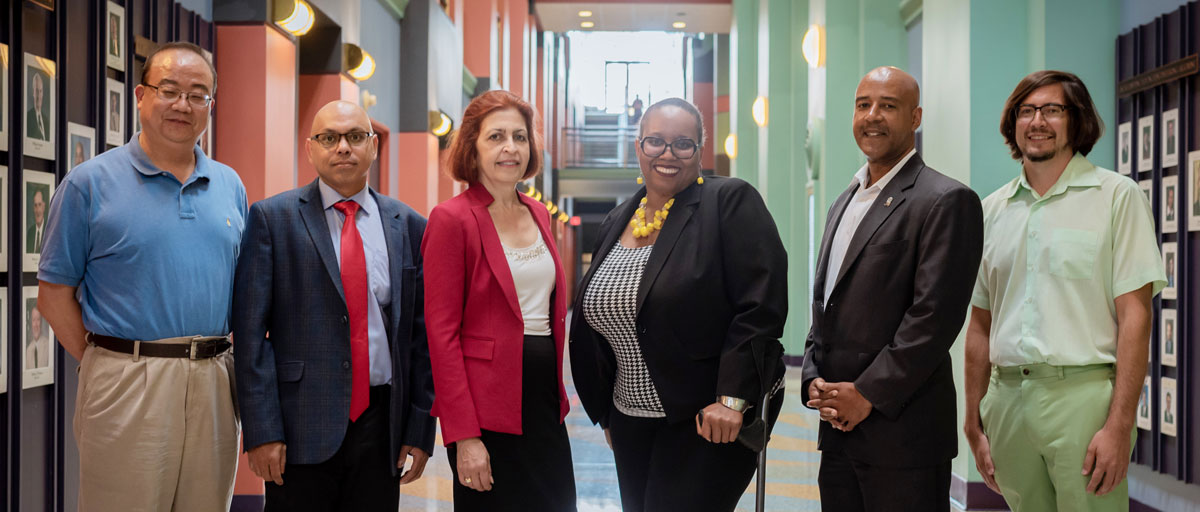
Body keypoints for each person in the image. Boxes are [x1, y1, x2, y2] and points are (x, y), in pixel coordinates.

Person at [37, 42, 244, 511]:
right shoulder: (89, 184)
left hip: (214, 378)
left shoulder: (230, 185)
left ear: (210, 105)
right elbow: (52, 297)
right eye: (169, 90)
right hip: (127, 378)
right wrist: (108, 359)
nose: (182, 105)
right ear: (140, 96)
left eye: (198, 95)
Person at [570, 97, 787, 512]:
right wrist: (607, 412)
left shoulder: (729, 202)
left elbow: (760, 306)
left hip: (706, 419)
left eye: (682, 144)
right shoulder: (619, 219)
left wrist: (731, 399)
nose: (667, 154)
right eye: (655, 142)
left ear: (699, 151)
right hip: (629, 420)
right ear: (638, 147)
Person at [965, 70, 1165, 512]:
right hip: (1008, 401)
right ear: (1013, 123)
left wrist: (1119, 425)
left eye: (1052, 110)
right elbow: (980, 322)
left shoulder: (1117, 197)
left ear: (1077, 121)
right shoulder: (991, 210)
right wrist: (974, 420)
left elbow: (1136, 318)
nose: (1038, 121)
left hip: (1084, 399)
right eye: (1027, 111)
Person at [233, 100, 435, 511]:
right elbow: (251, 335)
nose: (343, 147)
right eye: (329, 138)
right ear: (311, 149)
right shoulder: (273, 219)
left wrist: (418, 428)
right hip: (298, 426)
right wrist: (262, 430)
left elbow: (421, 336)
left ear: (373, 146)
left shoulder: (408, 224)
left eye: (355, 137)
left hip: (382, 427)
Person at [800, 66, 983, 512]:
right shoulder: (844, 199)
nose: (873, 116)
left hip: (903, 437)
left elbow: (933, 319)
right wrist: (812, 377)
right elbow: (828, 305)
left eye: (889, 106)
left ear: (916, 117)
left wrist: (865, 395)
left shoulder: (944, 200)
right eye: (864, 105)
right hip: (839, 432)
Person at [422, 89, 576, 510]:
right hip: (486, 411)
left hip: (544, 403)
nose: (511, 147)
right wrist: (465, 435)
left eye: (520, 136)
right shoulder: (452, 219)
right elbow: (441, 334)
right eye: (496, 137)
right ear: (472, 146)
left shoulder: (539, 214)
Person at [25, 303, 50, 369]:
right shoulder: (28, 350)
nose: (35, 325)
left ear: (41, 322)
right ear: (31, 323)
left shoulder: (48, 346)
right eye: (33, 320)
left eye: (38, 320)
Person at [27, 71, 47, 141]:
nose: (39, 95)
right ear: (33, 92)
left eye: (40, 91)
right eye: (36, 91)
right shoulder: (27, 118)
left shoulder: (46, 121)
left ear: (43, 93)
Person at [27, 188, 45, 253]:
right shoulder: (30, 233)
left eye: (39, 205)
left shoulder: (49, 232)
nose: (37, 210)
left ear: (44, 206)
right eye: (35, 205)